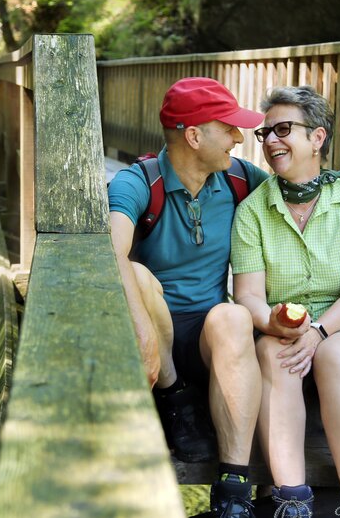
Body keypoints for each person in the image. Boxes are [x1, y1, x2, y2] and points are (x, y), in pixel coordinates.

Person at [108, 77, 268, 518]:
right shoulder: (138, 181)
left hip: (207, 339)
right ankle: (176, 399)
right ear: (195, 136)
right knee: (136, 272)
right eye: (229, 128)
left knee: (233, 317)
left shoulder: (241, 180)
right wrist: (142, 331)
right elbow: (111, 250)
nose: (240, 137)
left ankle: (234, 487)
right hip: (151, 335)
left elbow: (296, 199)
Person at [231, 86, 340, 517]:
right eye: (265, 133)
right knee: (273, 352)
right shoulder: (252, 211)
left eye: (284, 129)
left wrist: (320, 332)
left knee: (334, 355)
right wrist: (274, 324)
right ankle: (292, 500)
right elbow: (247, 295)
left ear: (317, 138)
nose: (271, 141)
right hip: (281, 331)